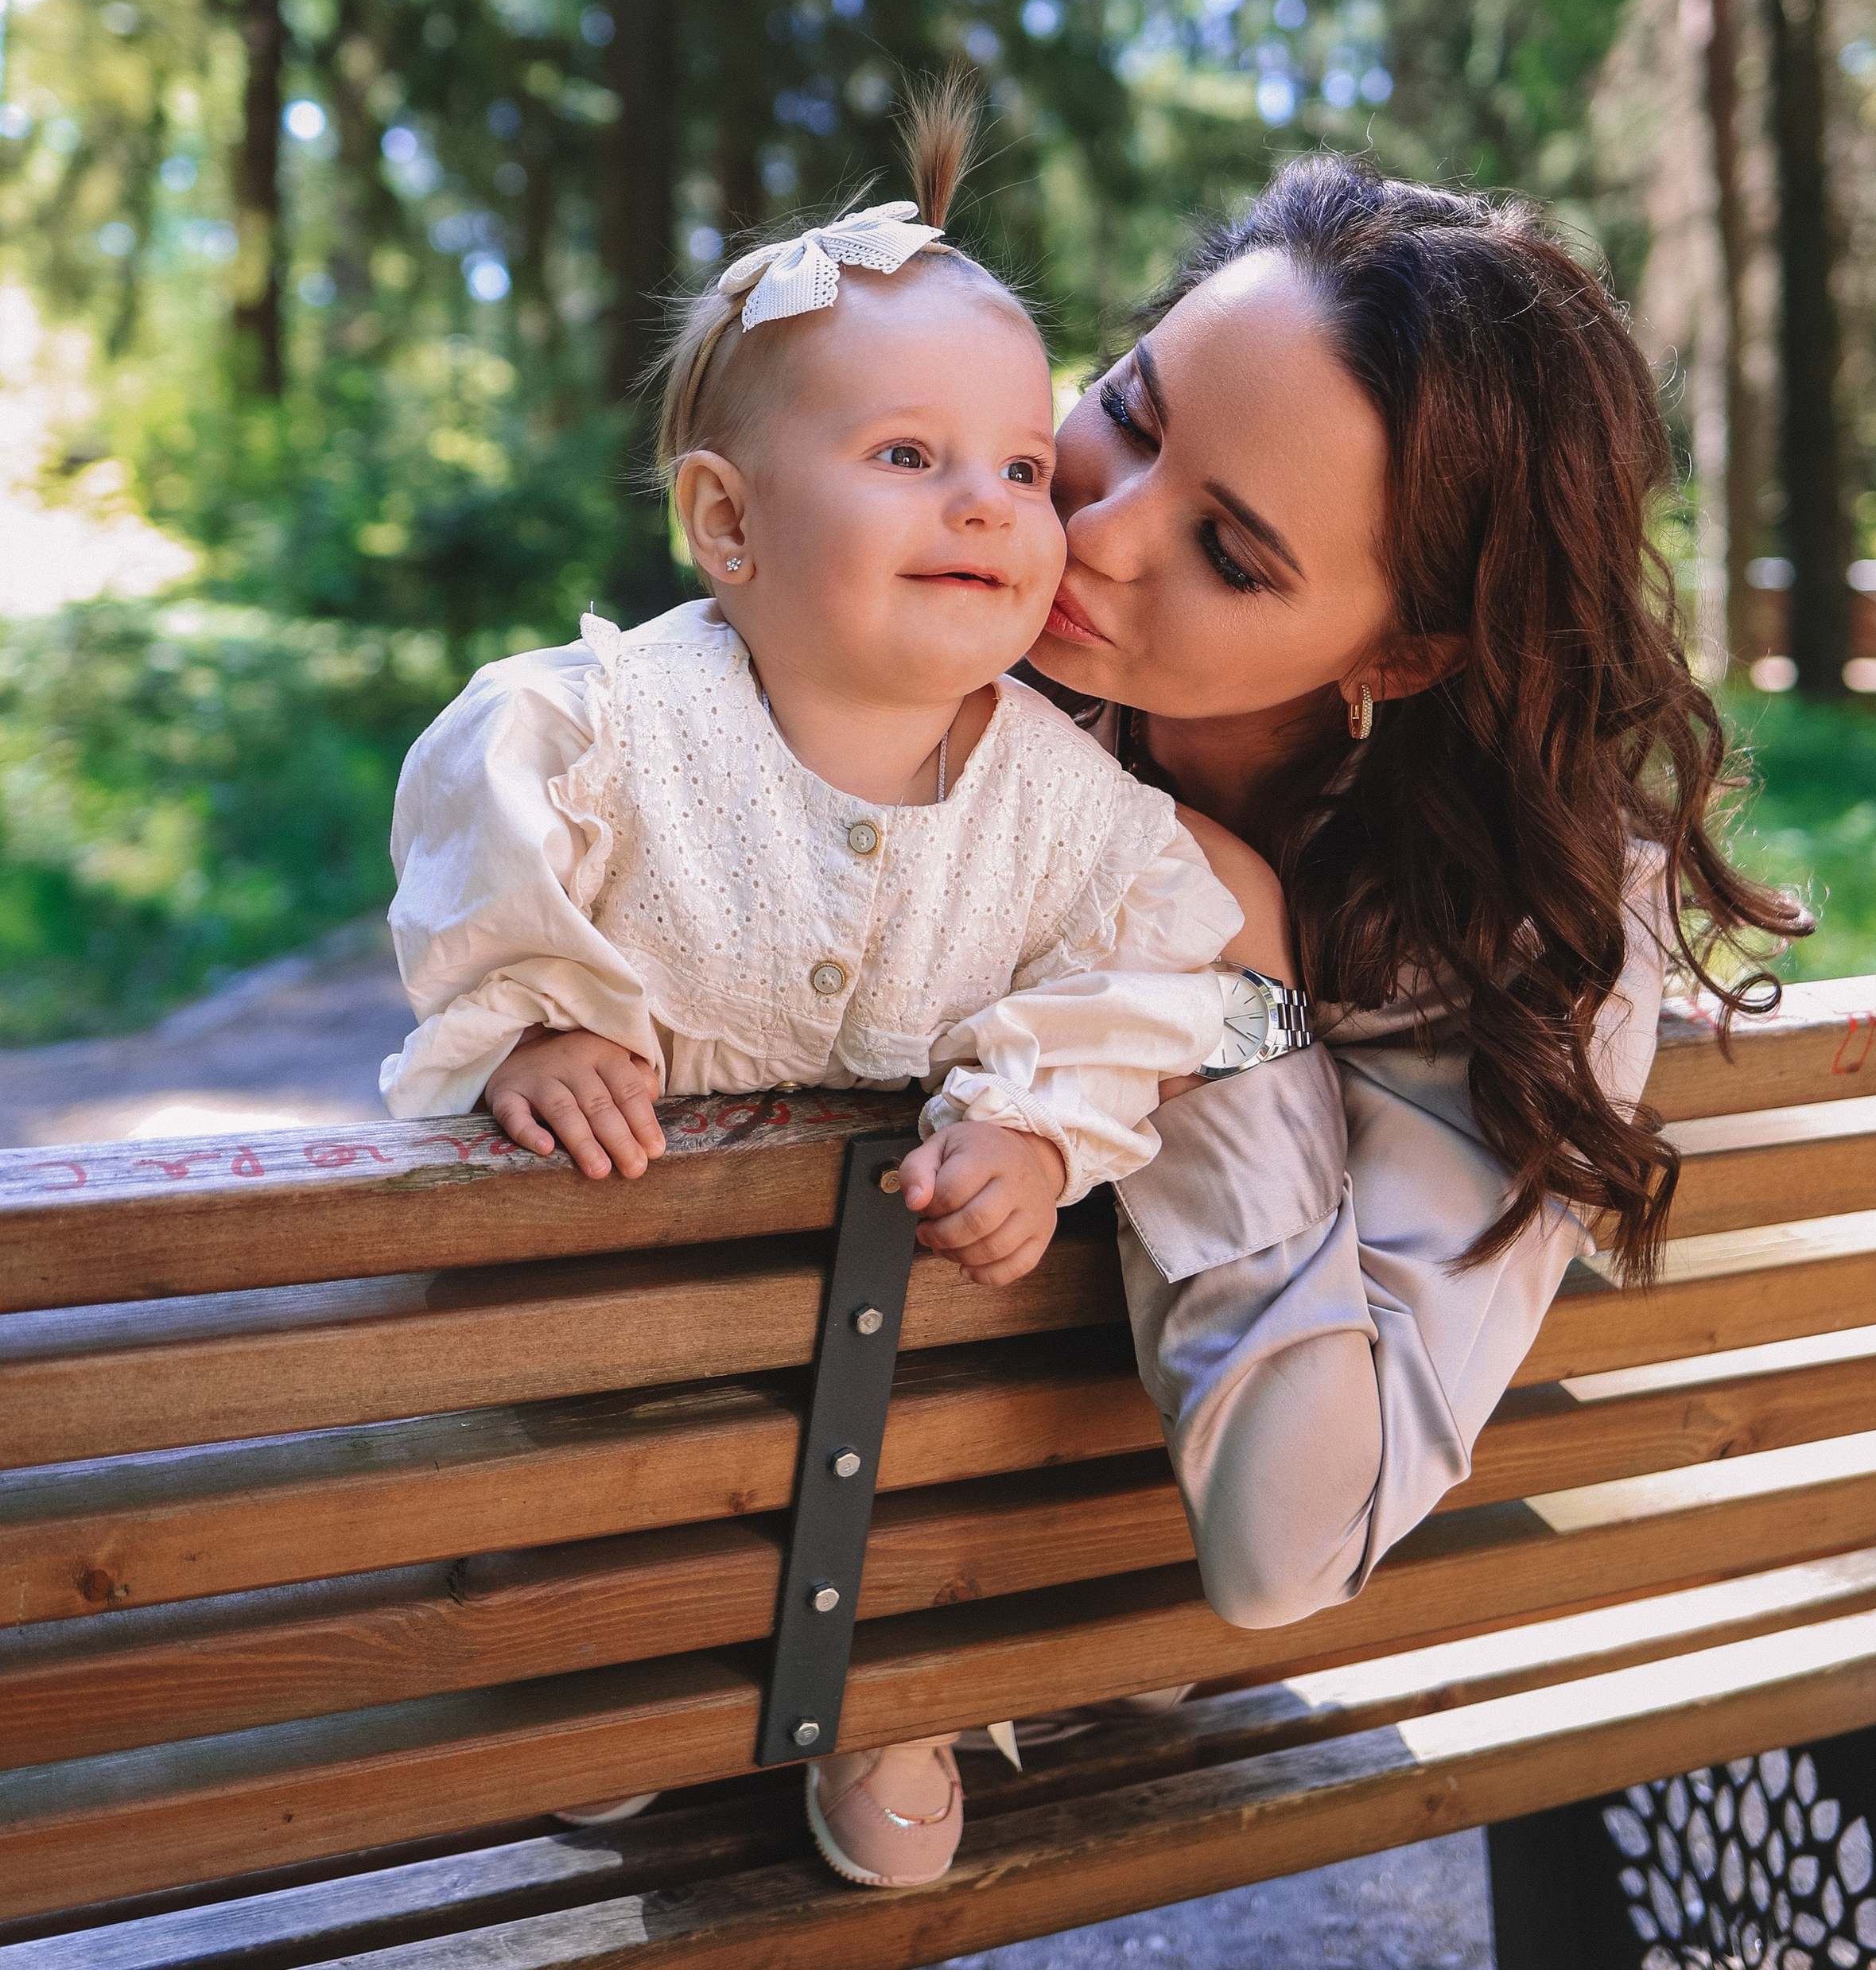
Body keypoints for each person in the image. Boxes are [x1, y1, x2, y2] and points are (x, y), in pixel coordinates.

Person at [378, 91, 1293, 1888]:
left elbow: (1176, 967)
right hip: (632, 1325)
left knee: (925, 1435)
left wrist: (1038, 1121)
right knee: (600, 1437)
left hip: (897, 1357)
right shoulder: (603, 730)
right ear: (724, 520)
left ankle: (900, 1693)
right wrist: (547, 1016)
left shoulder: (1062, 797)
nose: (988, 500)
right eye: (905, 456)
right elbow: (481, 822)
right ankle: (618, 1644)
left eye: (1023, 466)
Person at [1024, 157, 1798, 1630]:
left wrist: (1220, 958)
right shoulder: (917, 669)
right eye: (1127, 412)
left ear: (1404, 654)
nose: (1100, 531)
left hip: (1061, 1655)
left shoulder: (1532, 943)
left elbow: (1288, 1542)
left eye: (1230, 554)